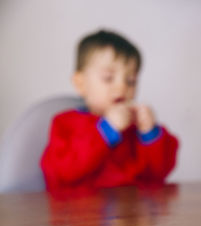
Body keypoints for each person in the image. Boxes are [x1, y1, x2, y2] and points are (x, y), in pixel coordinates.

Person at [41, 30, 179, 197]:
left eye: (131, 81)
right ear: (80, 83)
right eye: (108, 77)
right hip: (80, 218)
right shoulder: (65, 123)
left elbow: (157, 176)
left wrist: (150, 134)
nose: (122, 88)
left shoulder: (133, 127)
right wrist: (106, 131)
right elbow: (63, 172)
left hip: (131, 215)